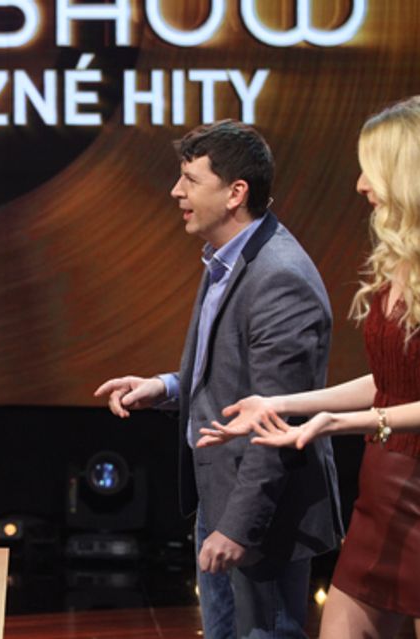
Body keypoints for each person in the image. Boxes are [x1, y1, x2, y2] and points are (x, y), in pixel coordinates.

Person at [94, 120, 343, 638]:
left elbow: (276, 419)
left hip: (260, 518)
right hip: (222, 497)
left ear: (235, 193)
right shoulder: (226, 258)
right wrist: (165, 387)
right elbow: (232, 376)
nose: (175, 191)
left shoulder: (279, 277)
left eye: (190, 179)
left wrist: (238, 528)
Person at [198, 97, 420, 638]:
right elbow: (392, 382)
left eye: (370, 170)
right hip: (384, 492)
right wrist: (280, 403)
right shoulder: (401, 264)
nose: (360, 185)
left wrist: (337, 424)